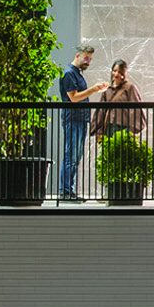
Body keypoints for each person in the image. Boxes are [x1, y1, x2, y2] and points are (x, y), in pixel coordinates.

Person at [57, 44, 108, 201]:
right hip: (73, 119)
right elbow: (73, 98)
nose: (88, 62)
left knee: (75, 156)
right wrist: (93, 89)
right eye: (86, 58)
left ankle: (69, 190)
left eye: (90, 59)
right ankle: (65, 191)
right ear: (77, 56)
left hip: (79, 119)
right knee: (71, 155)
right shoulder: (69, 74)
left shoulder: (77, 74)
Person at [89, 59, 145, 142]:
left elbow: (136, 110)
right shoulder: (107, 90)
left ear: (124, 74)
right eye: (114, 71)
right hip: (109, 127)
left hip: (124, 127)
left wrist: (132, 130)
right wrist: (99, 131)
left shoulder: (130, 88)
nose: (116, 74)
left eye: (119, 72)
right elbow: (101, 111)